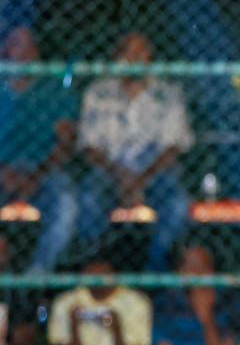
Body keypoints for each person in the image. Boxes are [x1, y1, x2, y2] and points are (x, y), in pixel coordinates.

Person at [0, 26, 80, 274]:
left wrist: (37, 175)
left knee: (67, 204)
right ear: (3, 51)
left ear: (37, 52)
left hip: (41, 168)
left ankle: (39, 272)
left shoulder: (55, 92)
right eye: (15, 44)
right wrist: (2, 173)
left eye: (28, 46)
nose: (22, 53)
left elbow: (65, 144)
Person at [78, 31, 192, 270]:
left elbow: (173, 147)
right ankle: (99, 266)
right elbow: (89, 147)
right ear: (117, 57)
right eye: (129, 52)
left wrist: (140, 180)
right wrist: (121, 177)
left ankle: (155, 268)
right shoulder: (97, 93)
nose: (136, 58)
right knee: (88, 200)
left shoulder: (168, 94)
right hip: (109, 173)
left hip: (155, 174)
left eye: (142, 52)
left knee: (178, 204)